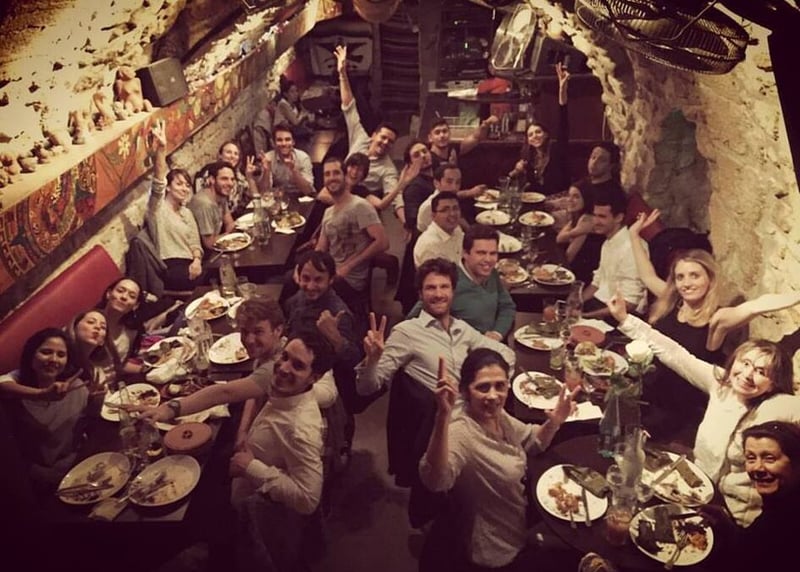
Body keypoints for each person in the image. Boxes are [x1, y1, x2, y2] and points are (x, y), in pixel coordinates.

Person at [606, 292, 800, 526]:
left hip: (735, 516)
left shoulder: (778, 405)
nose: (748, 374)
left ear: (774, 382)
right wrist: (625, 319)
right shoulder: (722, 384)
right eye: (745, 363)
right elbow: (675, 354)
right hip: (694, 490)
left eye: (761, 372)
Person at [418, 348, 577, 570]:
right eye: (483, 387)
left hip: (520, 513)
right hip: (496, 545)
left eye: (500, 386)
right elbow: (436, 481)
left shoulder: (496, 415)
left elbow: (532, 441)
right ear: (465, 391)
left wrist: (555, 422)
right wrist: (442, 417)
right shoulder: (461, 432)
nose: (493, 396)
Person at [228, 329, 335, 572]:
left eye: (298, 365)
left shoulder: (299, 429)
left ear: (314, 377)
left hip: (265, 519)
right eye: (285, 357)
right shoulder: (288, 392)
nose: (283, 368)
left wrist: (250, 467)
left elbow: (308, 499)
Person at [142, 299, 337, 428]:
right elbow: (255, 391)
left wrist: (169, 409)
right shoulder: (275, 348)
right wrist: (243, 431)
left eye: (258, 331)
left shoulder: (278, 367)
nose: (249, 340)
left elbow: (223, 393)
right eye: (244, 331)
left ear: (278, 330)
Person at [355, 258, 515, 396]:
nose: (438, 294)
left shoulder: (462, 328)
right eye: (431, 288)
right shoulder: (406, 332)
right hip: (440, 417)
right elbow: (366, 388)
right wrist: (372, 361)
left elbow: (506, 353)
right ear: (420, 294)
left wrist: (489, 381)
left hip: (475, 407)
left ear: (453, 292)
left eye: (444, 287)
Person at [1, 328, 89, 489]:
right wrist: (41, 394)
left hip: (77, 464)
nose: (54, 359)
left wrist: (96, 402)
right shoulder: (16, 389)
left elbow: (83, 428)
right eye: (46, 352)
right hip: (38, 479)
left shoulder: (76, 388)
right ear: (31, 355)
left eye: (61, 355)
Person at [334, 45, 412, 227]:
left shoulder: (388, 168)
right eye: (383, 137)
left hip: (363, 211)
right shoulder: (360, 137)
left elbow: (394, 198)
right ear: (374, 135)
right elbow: (349, 106)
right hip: (337, 196)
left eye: (390, 142)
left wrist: (405, 223)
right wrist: (342, 73)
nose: (385, 143)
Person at [316, 156, 389, 331]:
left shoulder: (360, 206)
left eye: (336, 173)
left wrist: (348, 266)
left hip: (350, 279)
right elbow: (320, 248)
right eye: (327, 174)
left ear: (345, 176)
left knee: (310, 293)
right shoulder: (328, 212)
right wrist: (304, 267)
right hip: (331, 272)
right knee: (291, 280)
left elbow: (383, 242)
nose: (331, 178)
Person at [411, 224, 515, 340]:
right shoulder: (447, 283)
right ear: (465, 253)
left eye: (493, 253)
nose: (488, 260)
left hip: (493, 345)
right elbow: (412, 323)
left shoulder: (491, 273)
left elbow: (507, 306)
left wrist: (497, 333)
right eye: (481, 253)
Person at [145, 119, 206, 291]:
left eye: (187, 185)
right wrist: (161, 150)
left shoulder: (186, 213)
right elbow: (158, 184)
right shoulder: (158, 210)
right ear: (169, 187)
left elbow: (195, 243)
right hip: (171, 267)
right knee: (213, 278)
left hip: (192, 263)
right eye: (179, 184)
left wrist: (197, 261)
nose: (185, 188)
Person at [581, 187, 648, 319]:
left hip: (624, 316)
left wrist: (585, 316)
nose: (595, 221)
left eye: (602, 216)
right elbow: (597, 283)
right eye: (595, 215)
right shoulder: (608, 241)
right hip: (602, 304)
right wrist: (576, 303)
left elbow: (629, 303)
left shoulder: (632, 248)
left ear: (619, 218)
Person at [508, 61, 571, 197]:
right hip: (538, 202)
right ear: (528, 140)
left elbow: (563, 124)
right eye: (530, 135)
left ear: (546, 134)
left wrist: (562, 90)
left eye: (538, 132)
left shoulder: (557, 150)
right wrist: (516, 171)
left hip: (560, 199)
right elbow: (518, 184)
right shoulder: (529, 158)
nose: (534, 136)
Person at [193, 140, 260, 217]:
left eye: (236, 154)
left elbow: (253, 195)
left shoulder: (237, 173)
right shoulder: (208, 172)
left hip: (235, 216)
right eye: (228, 152)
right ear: (220, 155)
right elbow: (203, 203)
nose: (232, 156)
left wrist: (249, 177)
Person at [555, 182, 603, 285]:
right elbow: (559, 238)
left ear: (586, 199)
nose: (570, 200)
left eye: (576, 197)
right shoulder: (577, 215)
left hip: (583, 277)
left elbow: (569, 258)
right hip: (575, 268)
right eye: (569, 195)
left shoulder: (587, 219)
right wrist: (576, 231)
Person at [97, 277, 147, 376]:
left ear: (135, 305)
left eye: (132, 296)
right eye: (120, 291)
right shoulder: (91, 324)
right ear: (108, 294)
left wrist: (147, 369)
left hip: (117, 381)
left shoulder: (131, 331)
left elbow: (119, 365)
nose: (124, 297)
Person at [416, 163, 481, 233]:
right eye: (449, 182)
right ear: (436, 183)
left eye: (458, 182)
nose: (454, 187)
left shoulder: (451, 198)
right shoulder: (429, 207)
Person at [188, 160, 236, 252]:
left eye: (232, 179)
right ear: (212, 179)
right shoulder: (204, 204)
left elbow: (230, 224)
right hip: (203, 254)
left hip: (218, 244)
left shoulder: (221, 194)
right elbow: (209, 243)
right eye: (224, 179)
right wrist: (233, 237)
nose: (230, 183)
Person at [64, 309, 118, 391]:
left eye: (103, 327)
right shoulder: (62, 357)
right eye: (91, 322)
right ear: (74, 327)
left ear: (102, 341)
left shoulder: (96, 371)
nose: (98, 327)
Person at [260, 123, 314, 197]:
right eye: (279, 140)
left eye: (287, 139)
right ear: (273, 143)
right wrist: (266, 171)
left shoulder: (303, 158)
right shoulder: (268, 158)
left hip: (302, 196)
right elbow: (264, 192)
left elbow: (308, 191)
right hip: (279, 197)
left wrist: (294, 170)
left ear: (293, 142)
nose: (284, 143)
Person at [426, 114, 498, 170]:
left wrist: (486, 123)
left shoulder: (453, 150)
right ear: (430, 138)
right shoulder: (428, 159)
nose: (442, 135)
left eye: (444, 131)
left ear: (450, 133)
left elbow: (476, 137)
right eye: (437, 133)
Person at [413, 191, 463, 268]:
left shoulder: (456, 229)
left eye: (455, 208)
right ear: (433, 216)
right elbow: (439, 275)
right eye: (445, 210)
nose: (452, 214)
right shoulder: (430, 246)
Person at [273, 77, 314, 142]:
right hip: (282, 133)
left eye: (296, 91)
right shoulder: (283, 104)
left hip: (292, 132)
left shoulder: (294, 104)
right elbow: (295, 122)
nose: (296, 94)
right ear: (285, 94)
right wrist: (303, 114)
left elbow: (299, 119)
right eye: (292, 92)